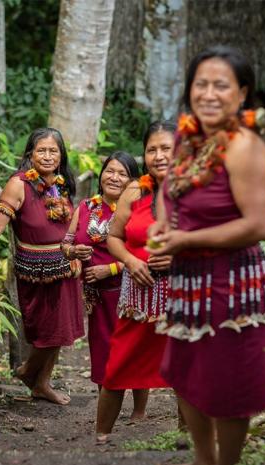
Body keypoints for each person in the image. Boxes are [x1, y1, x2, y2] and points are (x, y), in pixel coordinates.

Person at [147, 45, 265, 465]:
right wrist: (165, 221)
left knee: (226, 376)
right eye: (200, 83)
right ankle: (203, 459)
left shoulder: (245, 146)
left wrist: (184, 241)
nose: (208, 93)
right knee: (185, 370)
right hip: (189, 279)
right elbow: (168, 189)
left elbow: (256, 225)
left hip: (232, 280)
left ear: (242, 93)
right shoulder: (190, 140)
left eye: (220, 84)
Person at [0, 128, 84, 405]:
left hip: (66, 267)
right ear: (30, 154)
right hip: (37, 272)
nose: (48, 156)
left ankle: (41, 383)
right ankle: (27, 372)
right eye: (42, 150)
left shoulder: (61, 183)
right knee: (46, 332)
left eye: (54, 151)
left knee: (61, 332)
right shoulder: (19, 184)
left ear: (61, 155)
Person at [95, 125, 174, 439]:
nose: (159, 156)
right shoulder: (134, 191)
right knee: (118, 367)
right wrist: (129, 261)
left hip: (181, 296)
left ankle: (186, 440)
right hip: (139, 297)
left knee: (185, 370)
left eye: (166, 148)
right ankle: (101, 437)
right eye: (152, 149)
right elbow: (113, 237)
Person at [64, 152, 135, 405]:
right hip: (96, 296)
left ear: (132, 181)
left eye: (122, 173)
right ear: (101, 174)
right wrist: (73, 251)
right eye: (109, 171)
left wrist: (111, 269)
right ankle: (108, 405)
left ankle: (139, 412)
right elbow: (67, 241)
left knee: (131, 349)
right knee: (102, 347)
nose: (114, 178)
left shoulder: (136, 210)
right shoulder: (85, 207)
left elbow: (143, 255)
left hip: (127, 290)